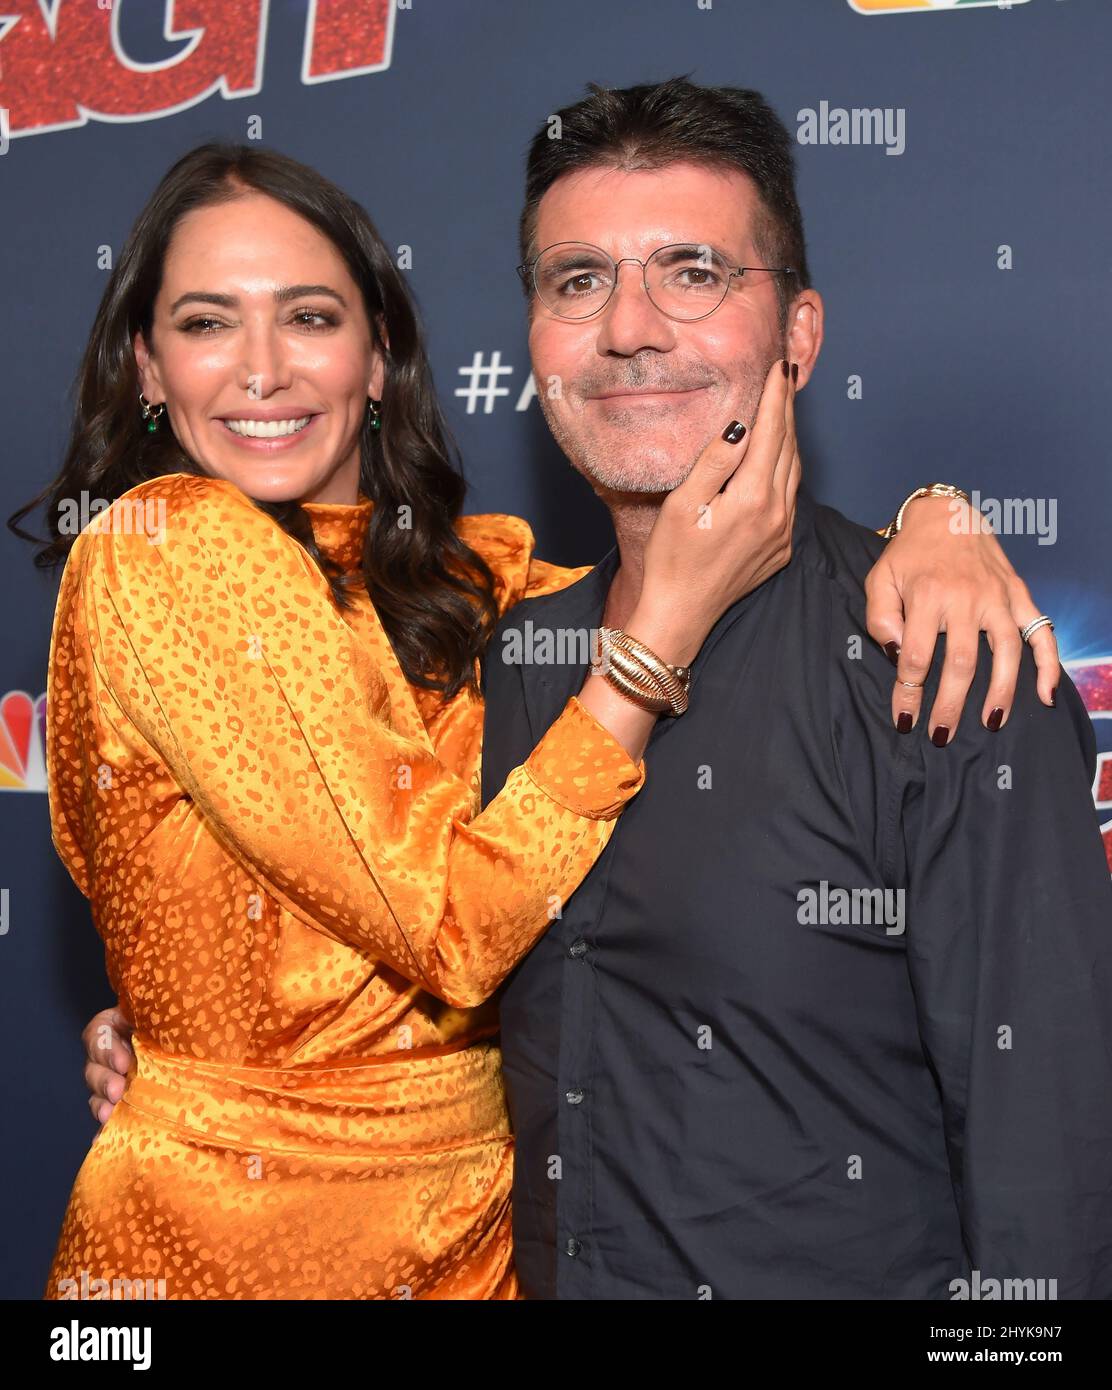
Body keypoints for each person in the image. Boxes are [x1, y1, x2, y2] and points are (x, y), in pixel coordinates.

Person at [69, 118, 1056, 1299]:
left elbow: (1043, 1134)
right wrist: (199, 1049)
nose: (262, 366)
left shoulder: (490, 601)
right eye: (204, 321)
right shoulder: (163, 548)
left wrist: (936, 515)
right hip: (233, 1252)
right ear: (145, 365)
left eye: (311, 316)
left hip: (480, 1254)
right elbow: (445, 922)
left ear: (379, 357)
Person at [472, 79, 1109, 1300]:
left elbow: (1053, 1172)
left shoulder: (944, 661)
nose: (629, 328)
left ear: (798, 337)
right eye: (576, 281)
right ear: (534, 338)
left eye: (693, 272)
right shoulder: (498, 666)